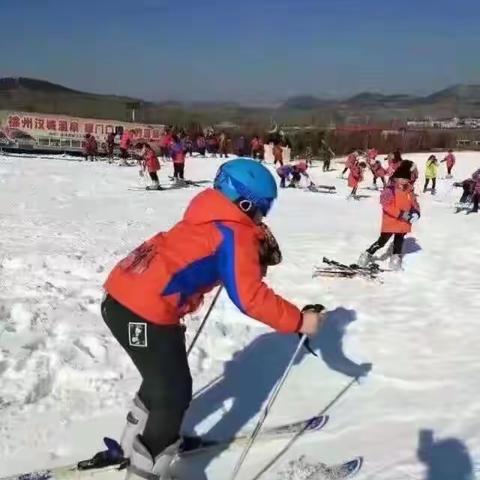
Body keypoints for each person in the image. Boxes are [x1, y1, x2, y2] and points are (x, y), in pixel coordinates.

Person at [101, 158, 326, 480]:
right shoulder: (234, 234)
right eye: (263, 208)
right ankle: (145, 470)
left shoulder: (206, 212)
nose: (263, 217)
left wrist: (248, 255)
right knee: (174, 392)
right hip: (144, 310)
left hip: (123, 297)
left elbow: (206, 257)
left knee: (162, 379)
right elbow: (249, 298)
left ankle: (130, 447)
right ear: (245, 202)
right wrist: (299, 321)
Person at [358, 165, 421, 270]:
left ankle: (395, 259)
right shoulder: (389, 190)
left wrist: (416, 212)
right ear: (395, 177)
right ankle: (367, 253)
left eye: (406, 178)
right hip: (391, 222)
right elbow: (386, 206)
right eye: (401, 178)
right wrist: (402, 214)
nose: (403, 180)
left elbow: (414, 204)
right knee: (382, 242)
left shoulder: (409, 191)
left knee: (399, 241)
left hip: (403, 223)